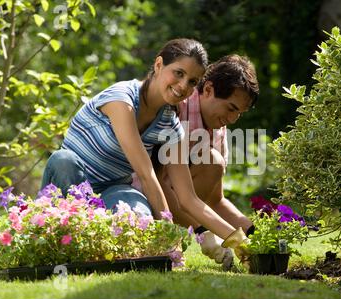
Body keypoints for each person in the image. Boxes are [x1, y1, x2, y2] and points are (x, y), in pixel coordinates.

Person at [40, 39, 251, 265]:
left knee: (140, 217)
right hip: (71, 177)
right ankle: (51, 235)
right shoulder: (121, 99)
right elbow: (146, 174)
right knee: (63, 159)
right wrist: (170, 240)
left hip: (113, 189)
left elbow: (189, 199)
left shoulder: (170, 126)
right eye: (178, 73)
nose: (183, 86)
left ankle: (92, 248)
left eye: (192, 81)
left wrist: (241, 241)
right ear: (159, 65)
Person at [133, 54, 259, 268]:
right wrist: (205, 234)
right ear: (208, 89)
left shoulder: (217, 129)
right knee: (210, 159)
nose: (232, 119)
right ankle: (169, 236)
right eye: (230, 108)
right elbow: (158, 180)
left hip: (179, 199)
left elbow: (216, 200)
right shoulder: (175, 107)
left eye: (239, 113)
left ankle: (181, 233)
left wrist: (255, 234)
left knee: (213, 161)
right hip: (139, 192)